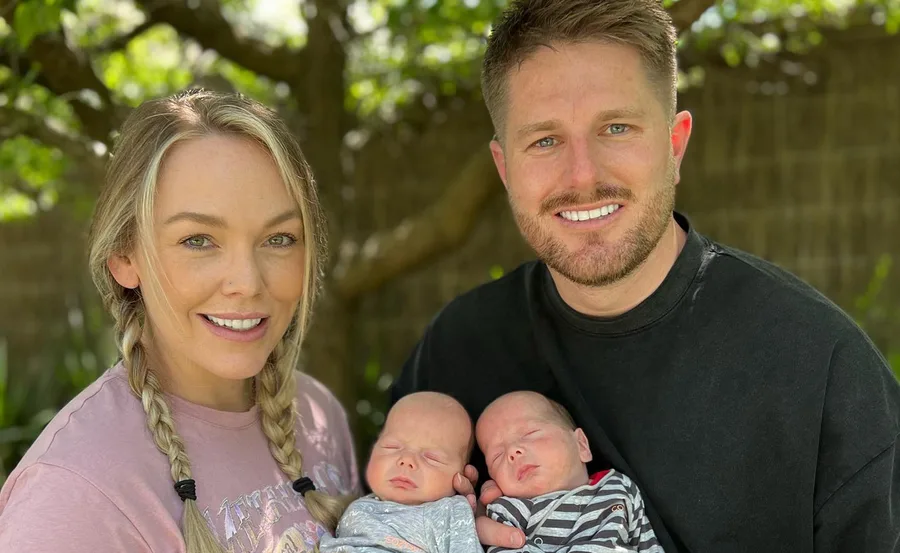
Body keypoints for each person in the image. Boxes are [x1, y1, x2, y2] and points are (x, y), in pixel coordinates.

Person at [391, 0, 900, 551]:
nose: (582, 176)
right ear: (504, 168)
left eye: (616, 127)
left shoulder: (821, 367)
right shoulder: (457, 350)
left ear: (674, 146)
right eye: (544, 140)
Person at [0, 90, 359, 553]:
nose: (247, 282)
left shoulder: (318, 414)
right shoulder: (72, 494)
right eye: (198, 241)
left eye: (279, 238)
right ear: (124, 256)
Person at [476, 391, 662, 553]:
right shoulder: (507, 513)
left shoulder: (618, 487)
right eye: (497, 456)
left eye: (529, 433)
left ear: (581, 445)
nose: (512, 452)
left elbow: (648, 543)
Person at [319, 392, 482, 553]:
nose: (406, 460)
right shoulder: (356, 507)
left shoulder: (450, 514)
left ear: (464, 476)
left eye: (431, 458)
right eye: (392, 447)